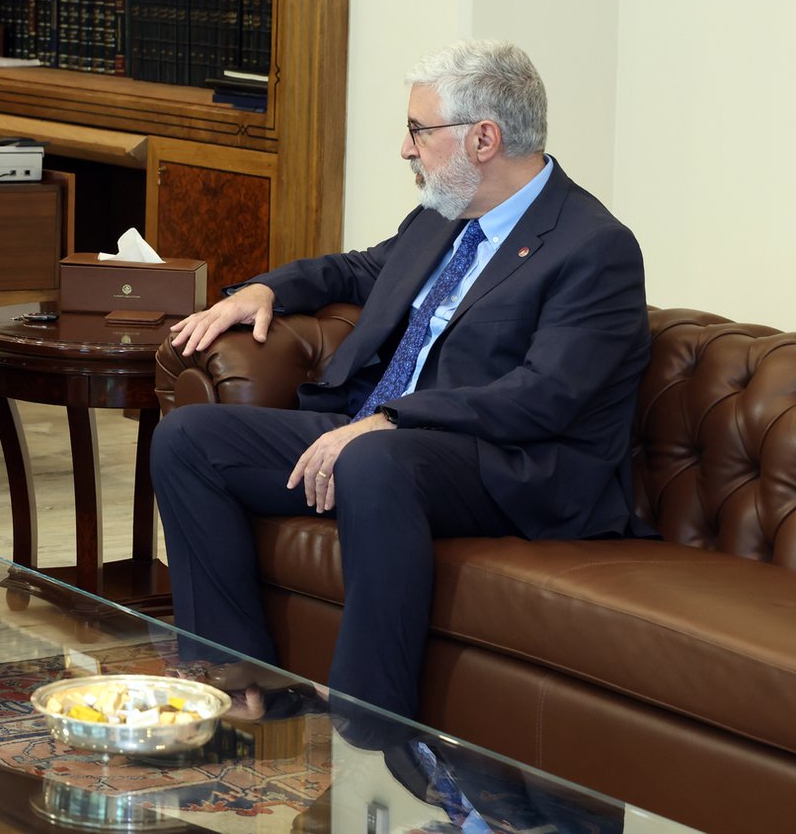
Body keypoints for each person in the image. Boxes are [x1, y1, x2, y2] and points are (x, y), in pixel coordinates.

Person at [152, 39, 649, 721]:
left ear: (483, 139)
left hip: (504, 463)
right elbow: (360, 269)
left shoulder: (593, 245)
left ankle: (368, 725)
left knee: (374, 459)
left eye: (419, 130)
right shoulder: (446, 213)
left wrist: (391, 419)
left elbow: (545, 395)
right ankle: (237, 683)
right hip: (386, 440)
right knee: (188, 440)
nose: (405, 150)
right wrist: (264, 289)